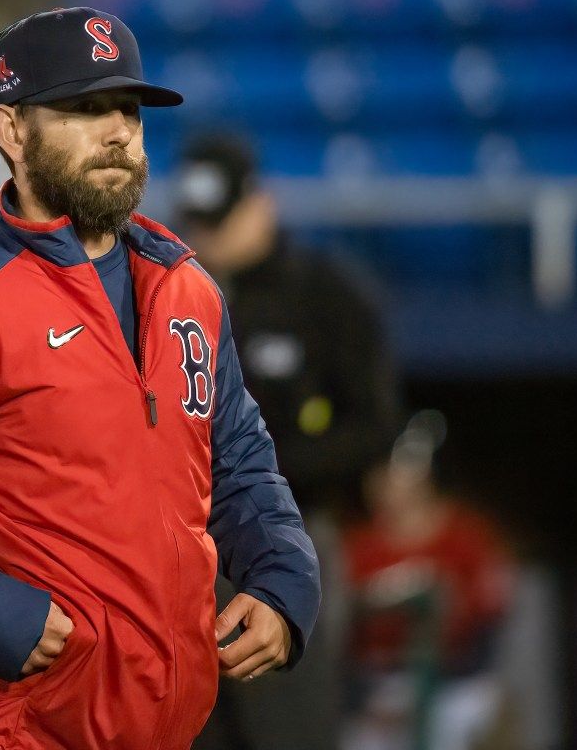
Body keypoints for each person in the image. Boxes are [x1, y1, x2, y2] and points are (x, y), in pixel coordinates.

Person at [0, 7, 321, 750]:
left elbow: (237, 460)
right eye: (82, 108)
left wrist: (280, 579)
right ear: (11, 131)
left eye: (127, 110)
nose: (117, 131)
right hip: (0, 726)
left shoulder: (187, 288)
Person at [176, 134, 400, 750]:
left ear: (262, 204)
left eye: (222, 220)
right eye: (200, 222)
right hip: (182, 552)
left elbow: (378, 425)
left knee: (286, 729)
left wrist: (262, 472)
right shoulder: (166, 295)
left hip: (293, 539)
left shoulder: (321, 295)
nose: (211, 236)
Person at [341, 413, 514, 750]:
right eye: (379, 473)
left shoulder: (467, 536)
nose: (384, 482)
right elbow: (340, 638)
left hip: (454, 685)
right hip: (378, 689)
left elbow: (488, 624)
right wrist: (363, 698)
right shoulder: (358, 546)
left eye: (394, 471)